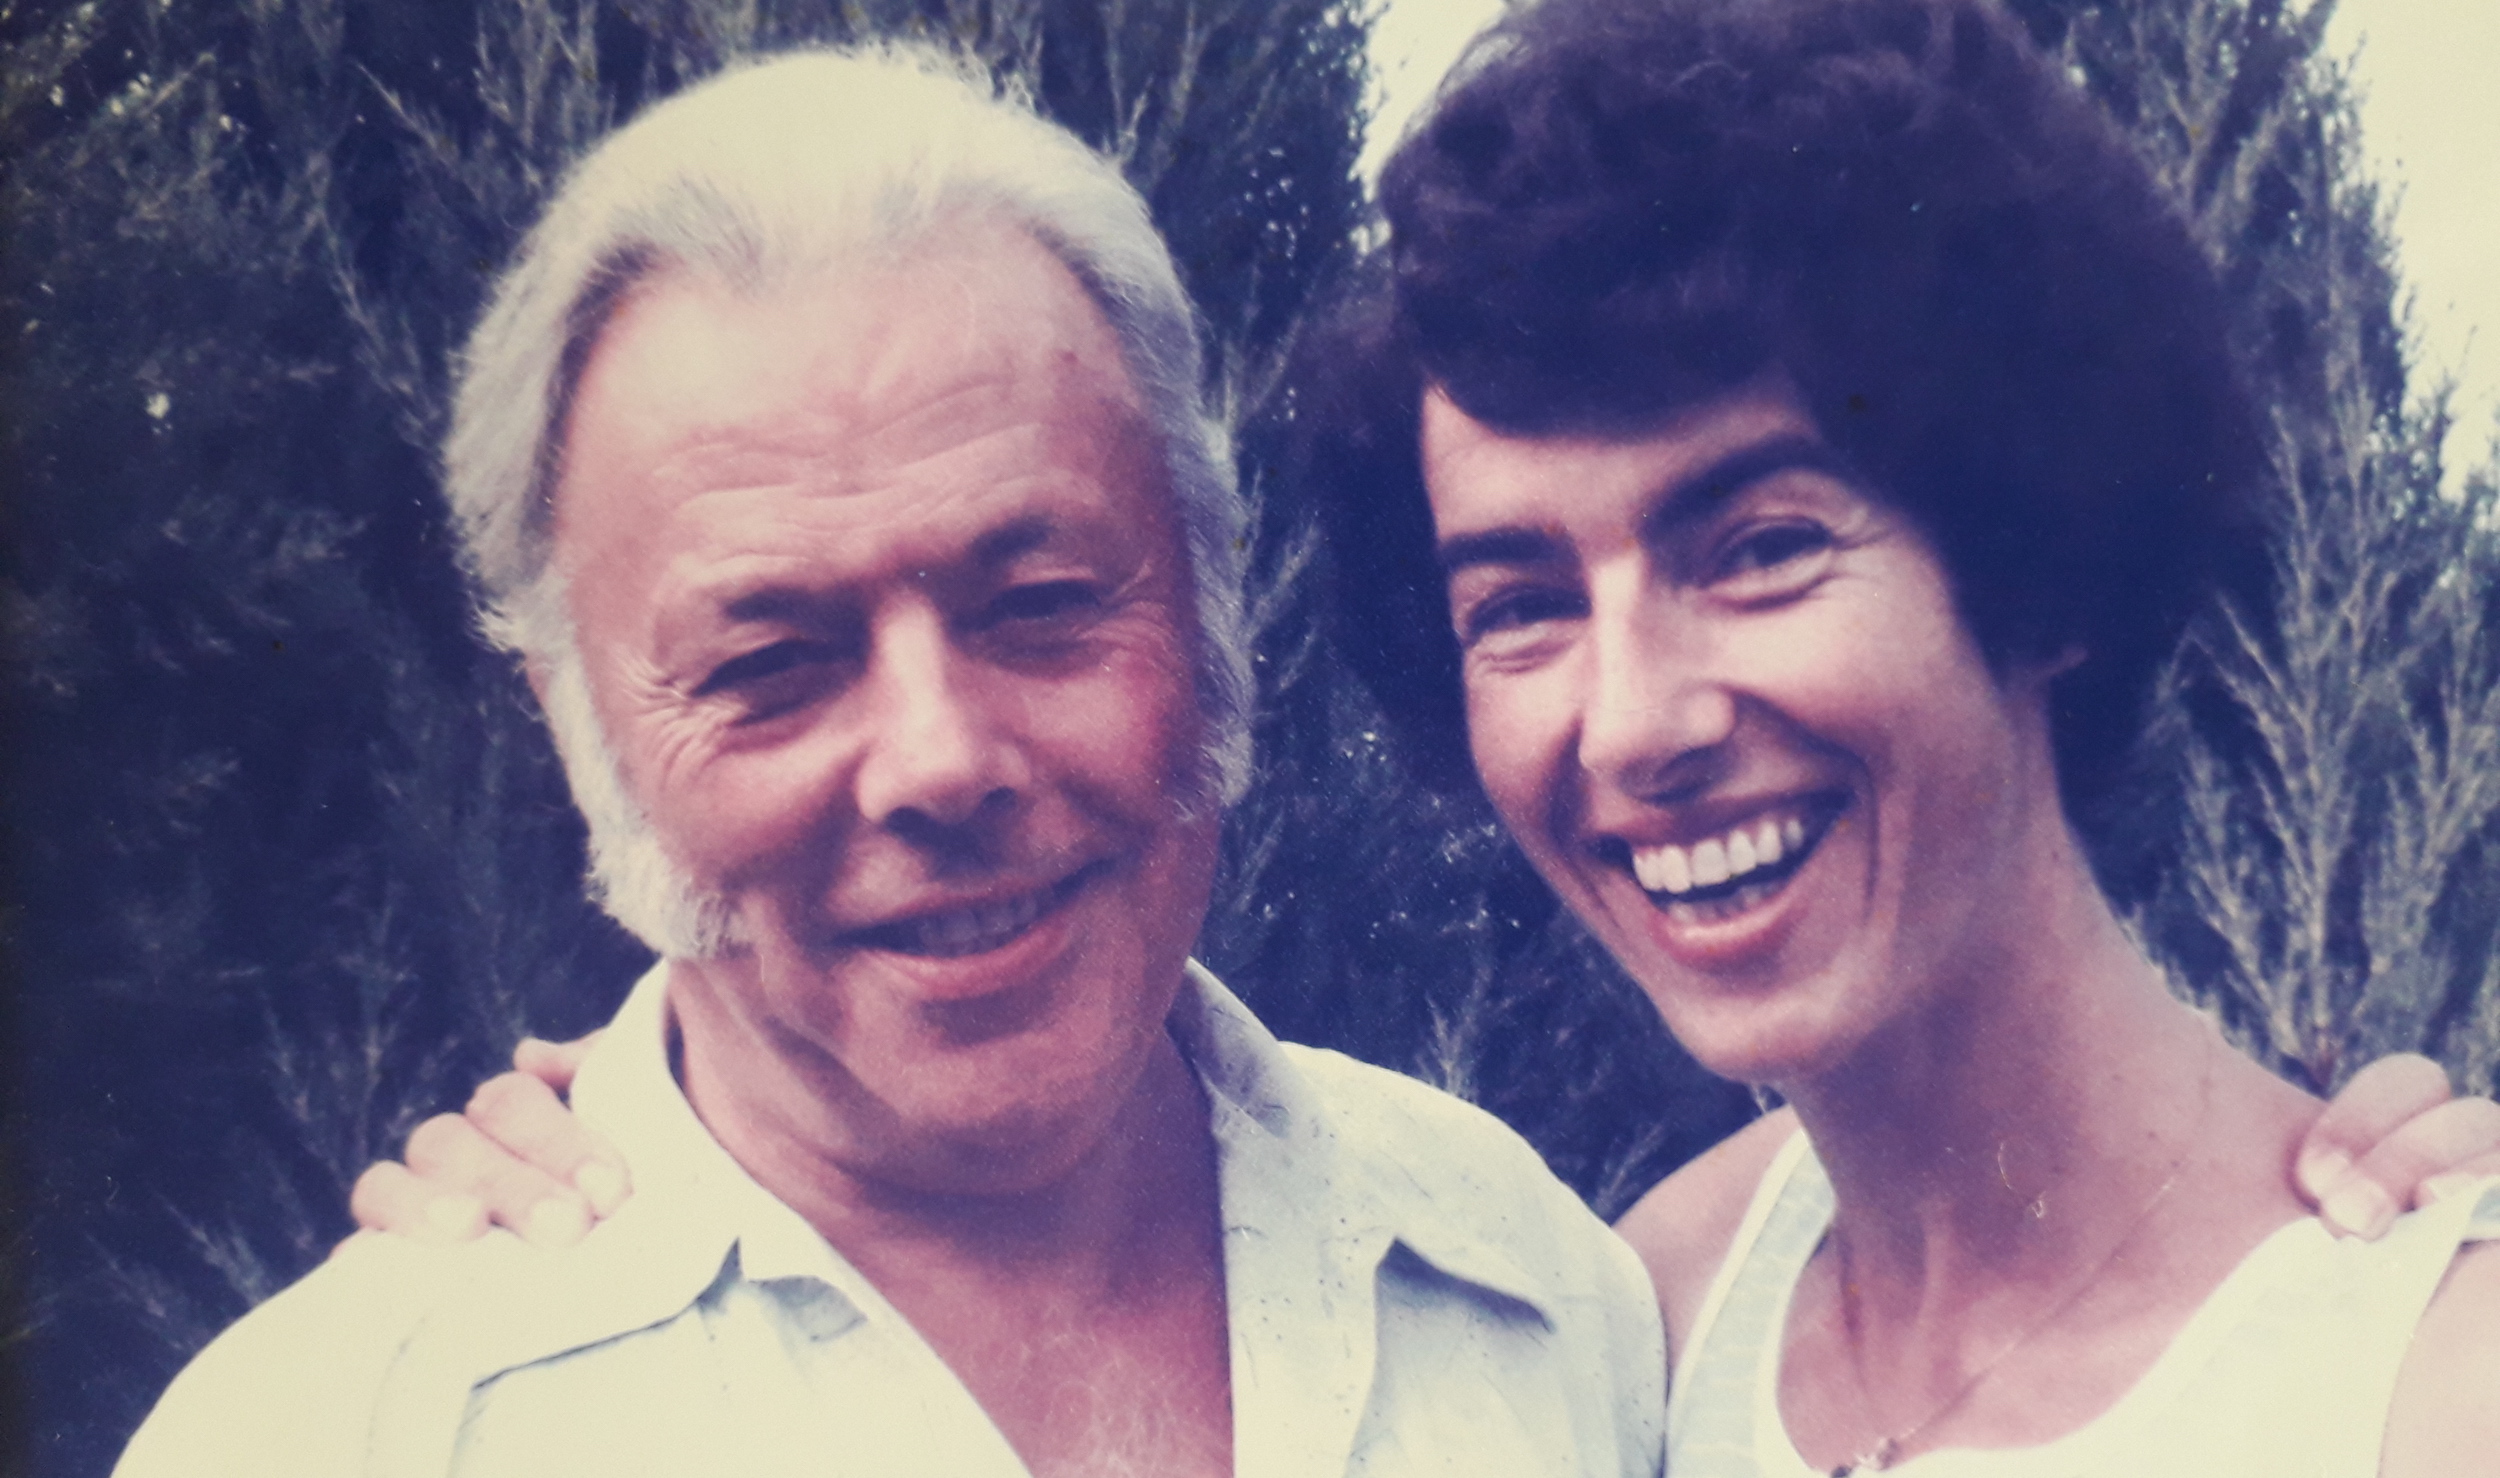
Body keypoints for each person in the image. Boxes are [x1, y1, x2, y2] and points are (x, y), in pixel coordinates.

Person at [362, 0, 2500, 1473]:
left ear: (2038, 554)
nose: (1632, 718)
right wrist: (623, 1153)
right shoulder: (1639, 1312)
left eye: (1760, 545)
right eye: (1519, 602)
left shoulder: (2428, 1378)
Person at [110, 45, 1667, 1478]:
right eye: (771, 666)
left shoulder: (1532, 1284)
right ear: (582, 743)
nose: (938, 760)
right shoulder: (345, 1432)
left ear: (1212, 605)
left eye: (1039, 603)